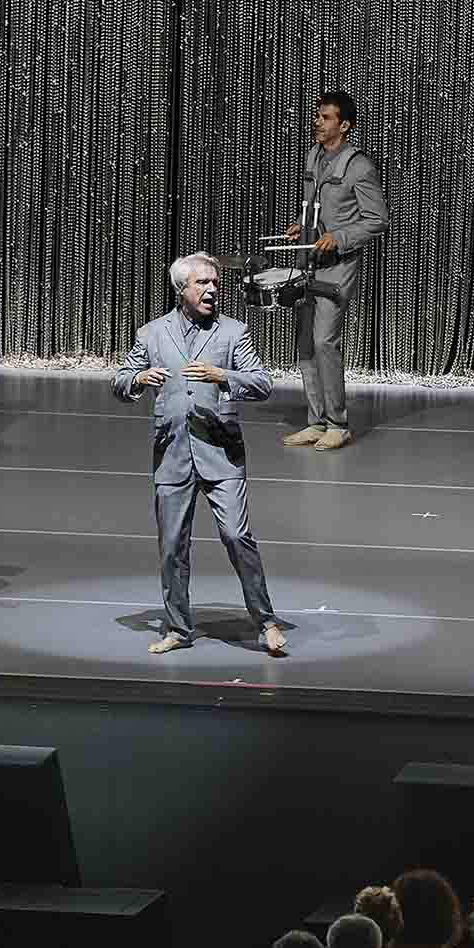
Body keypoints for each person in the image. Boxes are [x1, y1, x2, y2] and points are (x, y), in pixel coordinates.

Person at [113, 252, 288, 658]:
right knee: (173, 545)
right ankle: (178, 627)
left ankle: (266, 621)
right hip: (172, 452)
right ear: (181, 289)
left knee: (235, 535)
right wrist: (138, 378)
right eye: (202, 283)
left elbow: (262, 383)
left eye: (214, 282)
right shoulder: (151, 334)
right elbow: (119, 380)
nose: (211, 289)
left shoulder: (233, 332)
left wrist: (221, 375)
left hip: (221, 452)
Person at [272, 90, 386, 451]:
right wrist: (300, 225)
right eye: (318, 116)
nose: (318, 123)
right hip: (308, 262)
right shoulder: (314, 156)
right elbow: (315, 206)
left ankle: (338, 422)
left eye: (325, 118)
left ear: (344, 125)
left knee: (324, 341)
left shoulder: (359, 166)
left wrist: (340, 237)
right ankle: (316, 421)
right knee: (305, 344)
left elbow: (378, 221)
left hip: (338, 267)